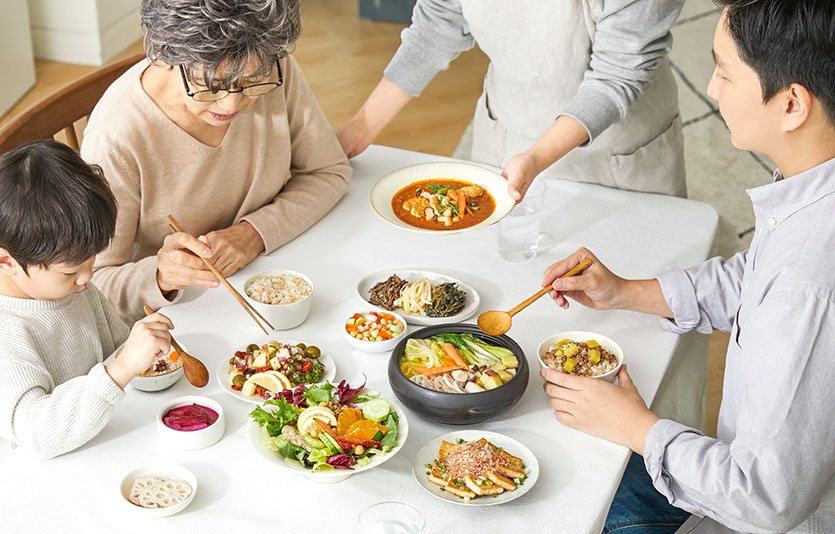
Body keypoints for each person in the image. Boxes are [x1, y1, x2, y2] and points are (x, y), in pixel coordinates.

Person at [540, 1, 835, 531]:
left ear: (793, 105)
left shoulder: (808, 282)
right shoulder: (811, 191)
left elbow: (766, 500)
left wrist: (638, 427)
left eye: (723, 70)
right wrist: (626, 292)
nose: (713, 88)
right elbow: (753, 281)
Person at [82, 0, 352, 322]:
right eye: (211, 85)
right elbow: (94, 283)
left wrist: (252, 234)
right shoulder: (118, 136)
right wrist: (161, 275)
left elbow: (329, 171)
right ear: (164, 55)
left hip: (272, 274)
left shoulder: (267, 62)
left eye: (252, 82)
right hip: (179, 316)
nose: (232, 104)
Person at [338, 0, 687, 200]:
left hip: (616, 151)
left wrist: (536, 156)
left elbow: (615, 76)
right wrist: (358, 131)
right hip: (507, 131)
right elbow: (434, 29)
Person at [0, 141, 174, 460]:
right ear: (6, 263)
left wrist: (138, 350)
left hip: (100, 441)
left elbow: (115, 347)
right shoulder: (7, 333)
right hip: (38, 473)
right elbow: (36, 434)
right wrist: (121, 368)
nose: (87, 278)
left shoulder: (71, 286)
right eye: (69, 272)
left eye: (91, 262)